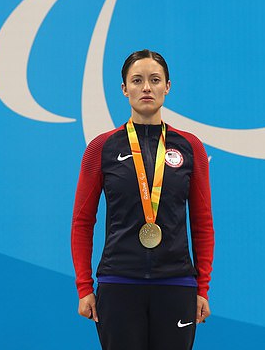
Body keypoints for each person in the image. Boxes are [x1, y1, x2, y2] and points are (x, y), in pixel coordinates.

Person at [71, 49, 214, 350]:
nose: (146, 87)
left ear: (167, 86)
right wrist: (85, 287)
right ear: (124, 89)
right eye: (137, 80)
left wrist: (202, 287)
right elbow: (82, 222)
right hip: (119, 284)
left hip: (176, 284)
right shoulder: (101, 148)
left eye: (154, 79)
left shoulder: (191, 148)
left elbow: (202, 224)